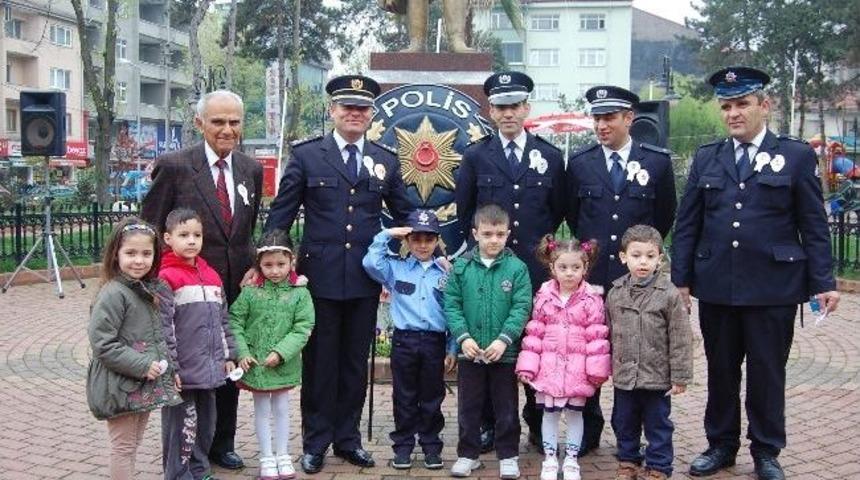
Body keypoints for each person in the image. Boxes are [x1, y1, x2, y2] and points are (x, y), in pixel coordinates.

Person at [671, 67, 840, 480]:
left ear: (764, 105)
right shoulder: (709, 156)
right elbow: (688, 222)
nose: (733, 113)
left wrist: (823, 282)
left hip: (773, 287)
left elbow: (813, 225)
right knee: (721, 371)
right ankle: (721, 445)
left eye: (742, 104)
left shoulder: (796, 155)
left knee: (767, 373)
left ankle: (766, 451)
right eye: (726, 106)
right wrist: (681, 278)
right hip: (717, 285)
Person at [264, 74, 412, 474]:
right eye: (346, 106)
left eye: (362, 107)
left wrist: (430, 246)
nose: (354, 112)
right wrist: (266, 262)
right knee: (320, 365)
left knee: (352, 365)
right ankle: (315, 442)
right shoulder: (309, 156)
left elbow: (405, 213)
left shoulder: (385, 159)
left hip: (364, 280)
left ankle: (348, 439)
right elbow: (281, 215)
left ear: (371, 115)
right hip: (320, 279)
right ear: (332, 110)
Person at [142, 89, 263, 471]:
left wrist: (255, 264)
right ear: (199, 123)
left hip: (232, 291)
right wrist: (152, 286)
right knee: (189, 373)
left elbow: (247, 228)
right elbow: (150, 227)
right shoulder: (175, 166)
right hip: (185, 292)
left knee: (227, 364)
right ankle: (184, 454)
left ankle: (220, 443)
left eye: (234, 122)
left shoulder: (251, 169)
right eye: (218, 122)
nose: (227, 130)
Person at [455, 70, 566, 453]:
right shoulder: (474, 156)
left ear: (526, 108)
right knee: (488, 340)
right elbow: (465, 212)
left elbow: (557, 213)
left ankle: (537, 423)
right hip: (486, 272)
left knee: (537, 347)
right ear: (490, 110)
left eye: (515, 106)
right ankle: (488, 425)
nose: (508, 113)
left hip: (534, 272)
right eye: (500, 107)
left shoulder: (549, 156)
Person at [565, 85, 677, 453]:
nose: (601, 125)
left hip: (639, 283)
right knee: (591, 356)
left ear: (630, 118)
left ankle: (639, 436)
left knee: (642, 355)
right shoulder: (581, 164)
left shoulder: (656, 162)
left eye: (609, 117)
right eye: (596, 117)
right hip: (595, 280)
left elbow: (663, 216)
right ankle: (590, 431)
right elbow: (573, 215)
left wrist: (639, 261)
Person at [85, 217, 182, 479]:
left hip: (142, 383)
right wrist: (141, 365)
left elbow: (157, 337)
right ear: (116, 254)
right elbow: (102, 343)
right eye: (131, 253)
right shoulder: (114, 293)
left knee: (132, 444)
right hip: (120, 384)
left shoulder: (146, 289)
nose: (139, 260)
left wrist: (170, 369)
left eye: (146, 253)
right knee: (124, 447)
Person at [362, 209, 457, 471]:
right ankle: (403, 446)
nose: (423, 245)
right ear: (407, 241)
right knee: (403, 396)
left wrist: (452, 347)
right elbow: (371, 263)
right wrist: (387, 234)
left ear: (437, 240)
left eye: (429, 239)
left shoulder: (447, 272)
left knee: (432, 396)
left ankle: (430, 446)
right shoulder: (396, 268)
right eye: (416, 239)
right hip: (404, 341)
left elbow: (453, 311)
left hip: (434, 341)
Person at [445, 204, 532, 479]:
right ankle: (467, 454)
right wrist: (463, 337)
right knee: (469, 407)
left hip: (502, 354)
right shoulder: (461, 267)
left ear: (507, 234)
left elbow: (521, 307)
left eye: (499, 234)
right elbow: (452, 305)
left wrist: (504, 340)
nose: (493, 240)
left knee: (506, 407)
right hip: (470, 353)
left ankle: (508, 454)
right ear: (475, 234)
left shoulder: (517, 269)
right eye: (487, 234)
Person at [515, 234, 611, 480]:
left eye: (576, 268)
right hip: (549, 369)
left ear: (585, 268)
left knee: (575, 414)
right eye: (563, 267)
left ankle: (570, 459)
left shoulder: (592, 299)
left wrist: (597, 370)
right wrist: (528, 365)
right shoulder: (544, 296)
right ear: (552, 268)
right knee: (549, 414)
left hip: (577, 371)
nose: (569, 273)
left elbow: (597, 337)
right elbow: (534, 332)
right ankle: (549, 458)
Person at [605, 225, 693, 480]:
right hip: (625, 375)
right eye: (636, 255)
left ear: (660, 259)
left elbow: (680, 337)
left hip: (656, 375)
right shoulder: (615, 293)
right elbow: (609, 333)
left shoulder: (669, 294)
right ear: (623, 257)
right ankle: (628, 460)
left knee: (658, 425)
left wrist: (680, 376)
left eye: (650, 256)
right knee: (624, 421)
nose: (643, 262)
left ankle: (659, 466)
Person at [157, 208, 238, 480]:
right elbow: (164, 328)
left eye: (197, 235)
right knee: (181, 426)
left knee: (205, 425)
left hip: (210, 370)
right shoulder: (166, 278)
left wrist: (229, 356)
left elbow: (223, 320)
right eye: (184, 235)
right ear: (168, 238)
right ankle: (178, 473)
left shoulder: (211, 276)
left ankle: (200, 468)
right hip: (183, 372)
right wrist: (172, 368)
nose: (191, 241)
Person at [229, 229, 315, 480]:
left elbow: (303, 327)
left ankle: (283, 453)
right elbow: (235, 321)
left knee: (281, 407)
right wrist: (242, 351)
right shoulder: (250, 292)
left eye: (281, 264)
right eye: (268, 265)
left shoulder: (300, 293)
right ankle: (266, 455)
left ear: (292, 262)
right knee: (261, 408)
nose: (275, 270)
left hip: (282, 364)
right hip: (256, 363)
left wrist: (281, 352)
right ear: (259, 264)